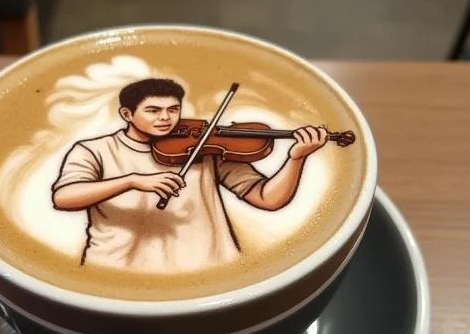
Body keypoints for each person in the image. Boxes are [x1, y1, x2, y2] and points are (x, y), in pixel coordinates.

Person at [51, 77, 327, 272]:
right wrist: (132, 181)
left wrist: (296, 158)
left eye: (173, 109)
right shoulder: (95, 149)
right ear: (127, 113)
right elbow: (64, 197)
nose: (166, 118)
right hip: (116, 269)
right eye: (153, 110)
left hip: (210, 266)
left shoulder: (205, 145)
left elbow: (267, 198)